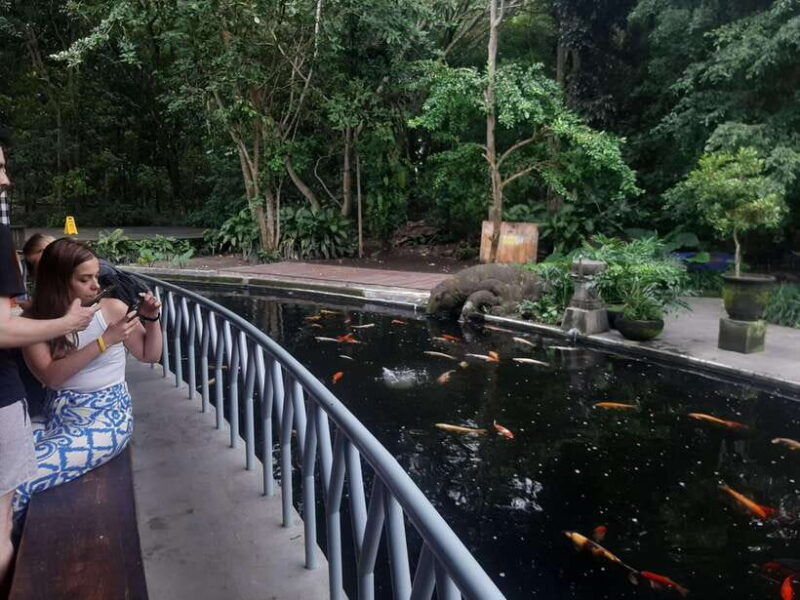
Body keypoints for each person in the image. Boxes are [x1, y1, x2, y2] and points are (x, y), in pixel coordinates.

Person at [0, 135, 98, 593]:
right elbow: (50, 374)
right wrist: (73, 326)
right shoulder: (40, 313)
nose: (6, 179)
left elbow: (151, 352)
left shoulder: (101, 308)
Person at [12, 238, 162, 519]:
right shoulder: (33, 321)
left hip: (106, 418)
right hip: (57, 414)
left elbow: (149, 354)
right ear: (58, 281)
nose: (96, 285)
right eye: (85, 279)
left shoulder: (111, 309)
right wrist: (104, 342)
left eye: (96, 276)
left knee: (19, 482)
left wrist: (152, 320)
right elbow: (52, 377)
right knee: (6, 471)